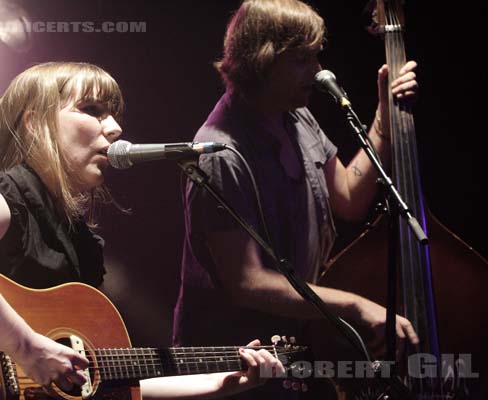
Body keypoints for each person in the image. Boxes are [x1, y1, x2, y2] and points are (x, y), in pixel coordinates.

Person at [0, 61, 285, 399]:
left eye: (113, 114)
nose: (115, 128)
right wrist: (26, 347)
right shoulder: (6, 195)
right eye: (92, 110)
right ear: (35, 123)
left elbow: (98, 378)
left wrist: (222, 384)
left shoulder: (80, 244)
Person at [173, 0, 420, 396]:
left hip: (289, 350)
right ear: (262, 61)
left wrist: (382, 120)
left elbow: (348, 198)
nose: (318, 70)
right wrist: (355, 305)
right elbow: (246, 282)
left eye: (316, 56)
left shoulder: (296, 115)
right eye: (302, 59)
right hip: (230, 364)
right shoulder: (218, 152)